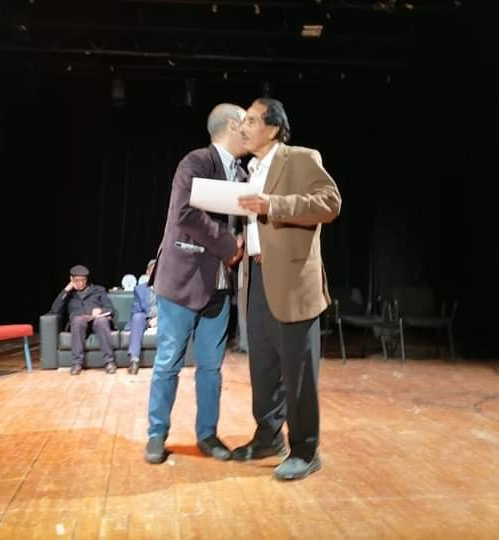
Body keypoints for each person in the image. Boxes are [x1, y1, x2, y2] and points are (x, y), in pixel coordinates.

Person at [234, 98, 342, 481]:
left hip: (294, 281)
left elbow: (330, 203)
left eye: (250, 120)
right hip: (257, 277)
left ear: (274, 128)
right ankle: (268, 438)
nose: (243, 127)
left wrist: (274, 205)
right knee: (263, 367)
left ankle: (306, 450)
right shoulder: (250, 169)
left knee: (298, 372)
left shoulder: (300, 158)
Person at [144, 103, 246, 464]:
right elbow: (185, 213)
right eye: (246, 123)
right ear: (232, 125)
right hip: (182, 281)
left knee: (211, 368)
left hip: (219, 285)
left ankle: (207, 434)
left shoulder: (244, 174)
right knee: (168, 362)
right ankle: (156, 434)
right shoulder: (197, 162)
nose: (251, 130)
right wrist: (230, 244)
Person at [50, 264, 117, 375]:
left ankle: (109, 362)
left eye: (83, 280)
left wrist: (100, 310)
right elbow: (55, 310)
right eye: (77, 280)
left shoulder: (98, 290)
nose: (80, 283)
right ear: (71, 279)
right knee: (78, 320)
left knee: (102, 321)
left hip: (96, 321)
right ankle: (77, 363)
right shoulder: (68, 294)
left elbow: (110, 309)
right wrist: (66, 290)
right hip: (79, 324)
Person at [126, 259, 158, 375]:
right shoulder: (139, 289)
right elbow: (137, 310)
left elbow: (172, 309)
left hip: (163, 318)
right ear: (148, 272)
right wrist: (150, 321)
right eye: (152, 270)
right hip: (146, 318)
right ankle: (134, 360)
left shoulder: (169, 288)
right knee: (137, 317)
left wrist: (159, 319)